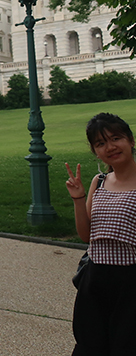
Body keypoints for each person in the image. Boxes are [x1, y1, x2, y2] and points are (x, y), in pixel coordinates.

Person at [65, 112, 136, 356]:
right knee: (90, 346)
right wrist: (78, 197)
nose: (110, 147)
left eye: (116, 138)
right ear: (95, 151)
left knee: (126, 346)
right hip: (95, 278)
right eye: (100, 143)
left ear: (131, 140)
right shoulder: (101, 180)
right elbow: (86, 236)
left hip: (130, 280)